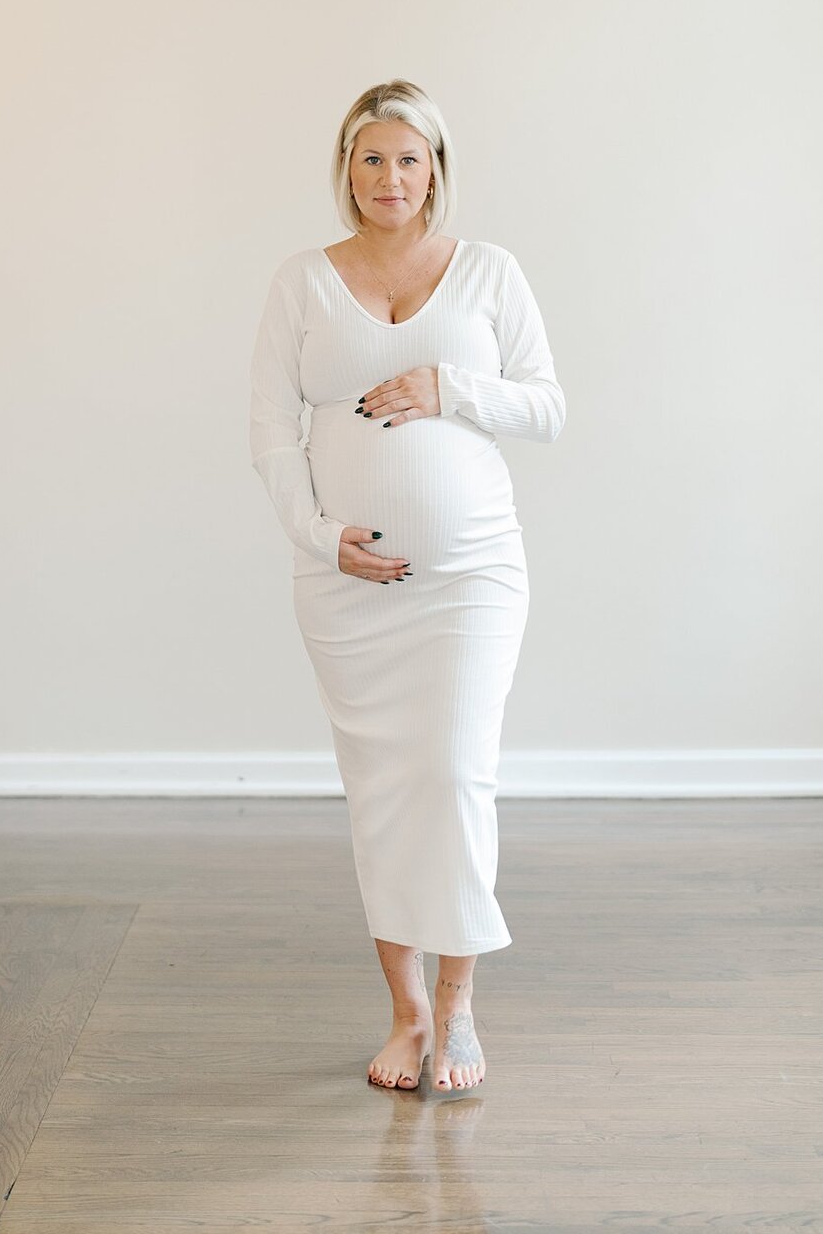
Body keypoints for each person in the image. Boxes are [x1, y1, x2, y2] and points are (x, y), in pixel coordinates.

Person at [249, 78, 566, 1092]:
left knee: (457, 773)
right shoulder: (303, 280)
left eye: (410, 159)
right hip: (346, 585)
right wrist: (318, 532)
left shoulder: (489, 273)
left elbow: (548, 408)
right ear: (347, 168)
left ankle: (464, 1004)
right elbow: (268, 430)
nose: (391, 178)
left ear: (438, 170)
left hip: (472, 574)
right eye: (372, 158)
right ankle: (407, 1012)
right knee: (384, 791)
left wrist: (447, 388)